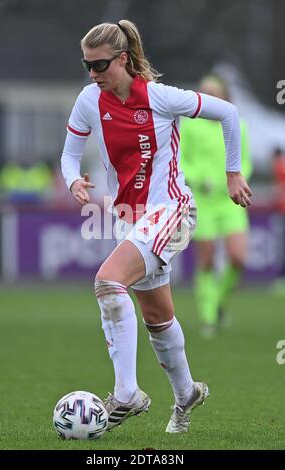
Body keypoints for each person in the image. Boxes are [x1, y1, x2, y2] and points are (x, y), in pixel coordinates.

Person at [61, 20, 252, 433]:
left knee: (108, 282)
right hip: (131, 218)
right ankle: (186, 394)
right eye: (86, 66)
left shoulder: (162, 98)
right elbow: (69, 154)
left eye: (100, 66)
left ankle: (127, 393)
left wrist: (232, 172)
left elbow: (229, 113)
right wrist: (72, 179)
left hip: (175, 212)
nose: (92, 75)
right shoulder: (89, 100)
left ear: (123, 59)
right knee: (158, 317)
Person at [180, 74, 253, 338]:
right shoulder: (190, 126)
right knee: (207, 259)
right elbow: (181, 161)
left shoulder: (237, 125)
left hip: (230, 200)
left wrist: (234, 179)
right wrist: (200, 180)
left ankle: (219, 301)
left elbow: (246, 162)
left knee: (238, 257)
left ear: (224, 96)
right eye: (205, 92)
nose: (210, 96)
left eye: (215, 92)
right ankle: (209, 316)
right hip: (203, 201)